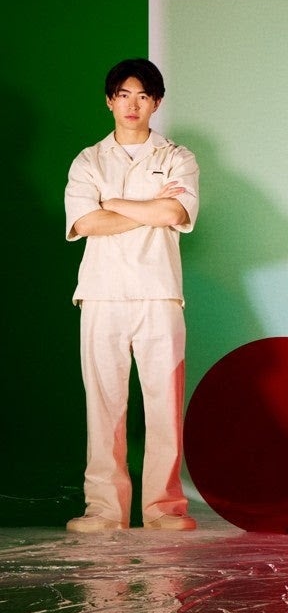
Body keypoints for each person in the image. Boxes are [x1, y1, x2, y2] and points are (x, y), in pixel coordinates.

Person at [64, 58, 199, 532]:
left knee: (164, 405)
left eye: (143, 96)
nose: (132, 104)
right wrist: (149, 209)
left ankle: (163, 508)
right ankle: (105, 509)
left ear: (156, 102)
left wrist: (115, 203)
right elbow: (85, 222)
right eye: (123, 95)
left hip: (159, 294)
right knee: (103, 406)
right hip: (101, 294)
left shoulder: (177, 157)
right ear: (109, 101)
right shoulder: (88, 160)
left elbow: (174, 213)